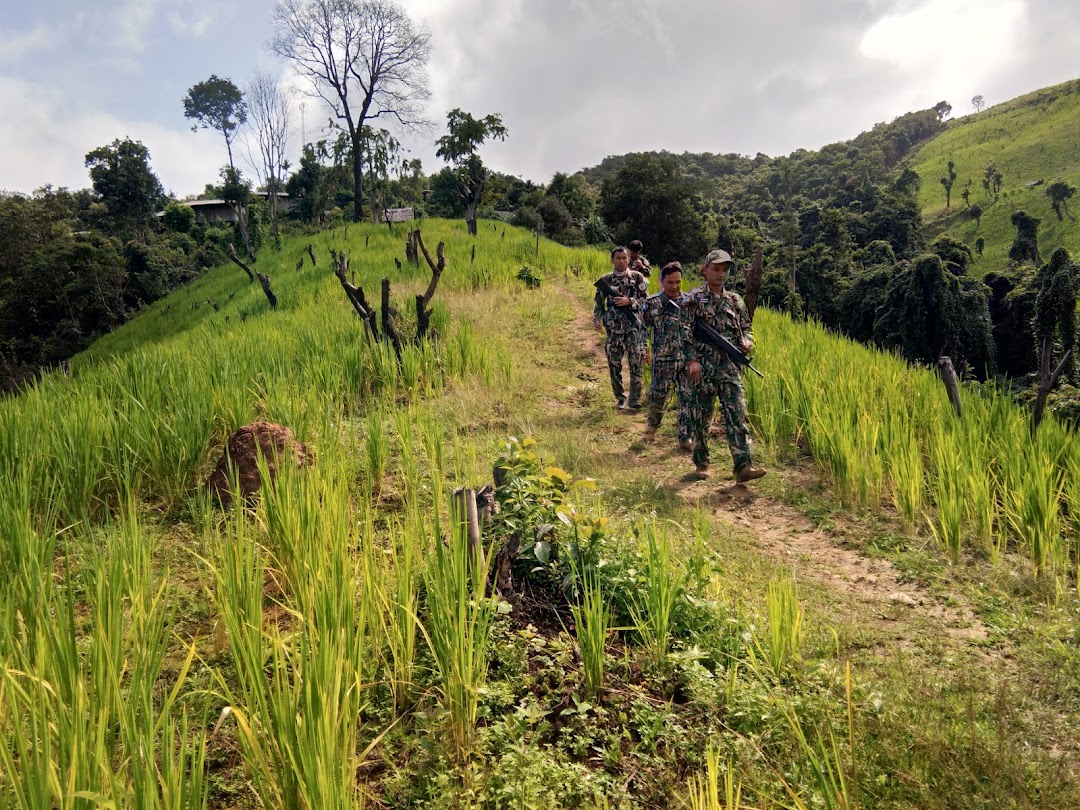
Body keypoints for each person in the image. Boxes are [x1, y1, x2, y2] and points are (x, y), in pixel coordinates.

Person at [684, 249, 766, 483]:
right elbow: (684, 331)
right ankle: (701, 464)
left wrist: (748, 341)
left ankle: (743, 466)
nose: (721, 274)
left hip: (730, 368)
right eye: (716, 269)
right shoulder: (695, 299)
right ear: (705, 270)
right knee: (701, 418)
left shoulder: (735, 300)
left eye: (725, 270)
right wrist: (691, 360)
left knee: (737, 416)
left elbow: (747, 327)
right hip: (704, 369)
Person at [642, 262, 699, 449]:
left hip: (687, 358)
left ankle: (685, 436)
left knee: (688, 398)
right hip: (664, 359)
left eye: (678, 282)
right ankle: (651, 429)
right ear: (661, 282)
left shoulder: (689, 302)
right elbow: (642, 328)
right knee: (658, 396)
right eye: (670, 282)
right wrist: (644, 348)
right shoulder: (652, 303)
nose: (674, 286)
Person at [593, 246, 649, 409]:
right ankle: (620, 397)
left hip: (633, 327)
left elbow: (647, 302)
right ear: (612, 260)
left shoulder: (638, 278)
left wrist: (631, 301)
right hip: (613, 328)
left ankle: (635, 398)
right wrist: (596, 318)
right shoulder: (606, 280)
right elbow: (598, 303)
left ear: (629, 260)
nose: (621, 261)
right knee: (614, 364)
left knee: (635, 362)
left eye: (624, 258)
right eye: (618, 258)